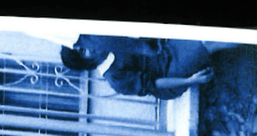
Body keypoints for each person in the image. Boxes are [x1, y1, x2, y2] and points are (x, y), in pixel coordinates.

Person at [60, 35, 220, 99]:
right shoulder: (115, 78)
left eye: (84, 43)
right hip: (168, 73)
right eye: (83, 51)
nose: (89, 48)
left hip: (167, 48)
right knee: (205, 42)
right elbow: (154, 84)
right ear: (84, 62)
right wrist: (191, 80)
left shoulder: (109, 41)